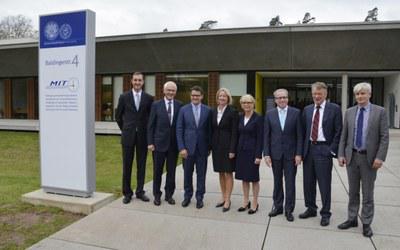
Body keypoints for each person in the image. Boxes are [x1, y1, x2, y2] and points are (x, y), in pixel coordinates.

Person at [337, 82, 389, 237]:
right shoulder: (349, 112)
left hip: (369, 159)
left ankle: (366, 222)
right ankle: (352, 218)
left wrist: (380, 157)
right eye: (357, 94)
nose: (360, 96)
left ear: (369, 94)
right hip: (352, 157)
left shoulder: (380, 112)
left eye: (363, 93)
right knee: (353, 192)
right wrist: (341, 154)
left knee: (367, 193)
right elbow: (344, 135)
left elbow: (384, 137)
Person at [300, 82, 342, 226]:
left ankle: (325, 213)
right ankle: (311, 208)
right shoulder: (307, 109)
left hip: (324, 149)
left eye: (319, 94)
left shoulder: (334, 109)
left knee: (324, 184)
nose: (316, 96)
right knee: (308, 183)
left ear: (325, 94)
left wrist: (331, 150)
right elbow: (303, 132)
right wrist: (301, 151)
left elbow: (338, 131)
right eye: (314, 94)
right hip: (309, 150)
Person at [264, 89, 303, 222]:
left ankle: (289, 209)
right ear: (275, 100)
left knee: (290, 182)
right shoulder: (269, 114)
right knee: (277, 181)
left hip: (291, 155)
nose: (282, 100)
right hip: (275, 154)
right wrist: (266, 154)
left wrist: (299, 153)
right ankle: (278, 206)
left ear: (288, 98)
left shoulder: (296, 113)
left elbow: (300, 136)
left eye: (284, 97)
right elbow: (267, 136)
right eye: (279, 98)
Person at [115, 72, 154, 204]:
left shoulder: (148, 98)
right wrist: (125, 129)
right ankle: (127, 193)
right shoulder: (124, 97)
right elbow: (118, 116)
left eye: (140, 80)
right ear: (131, 81)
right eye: (135, 80)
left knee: (141, 165)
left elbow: (150, 119)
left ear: (143, 82)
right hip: (128, 136)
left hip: (143, 137)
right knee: (127, 165)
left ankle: (139, 191)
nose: (137, 82)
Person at [147, 81, 183, 206]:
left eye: (173, 90)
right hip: (158, 144)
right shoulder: (156, 105)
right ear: (164, 91)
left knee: (171, 171)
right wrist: (150, 142)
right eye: (169, 90)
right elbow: (150, 125)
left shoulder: (179, 105)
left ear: (175, 92)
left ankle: (169, 195)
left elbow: (180, 126)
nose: (171, 92)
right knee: (157, 171)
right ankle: (157, 195)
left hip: (173, 145)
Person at [176, 85, 211, 209]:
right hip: (187, 149)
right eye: (193, 95)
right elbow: (179, 129)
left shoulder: (208, 110)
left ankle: (200, 197)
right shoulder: (183, 110)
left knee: (201, 174)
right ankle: (187, 196)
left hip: (202, 149)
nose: (195, 97)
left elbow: (209, 131)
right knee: (187, 174)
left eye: (197, 95)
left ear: (202, 96)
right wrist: (181, 148)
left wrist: (209, 147)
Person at [211, 88, 238, 212]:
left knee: (228, 173)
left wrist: (232, 149)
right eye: (220, 96)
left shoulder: (233, 112)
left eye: (224, 96)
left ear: (228, 98)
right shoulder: (213, 111)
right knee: (220, 172)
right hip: (216, 147)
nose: (222, 98)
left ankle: (228, 199)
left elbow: (234, 132)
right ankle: (223, 197)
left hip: (228, 148)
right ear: (217, 98)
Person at [235, 94, 263, 214]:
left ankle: (255, 202)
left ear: (253, 104)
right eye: (244, 103)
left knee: (254, 179)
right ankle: (246, 201)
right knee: (244, 179)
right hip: (241, 152)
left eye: (249, 102)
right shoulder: (240, 117)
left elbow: (260, 138)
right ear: (241, 105)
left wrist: (258, 155)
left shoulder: (258, 118)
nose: (247, 105)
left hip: (252, 153)